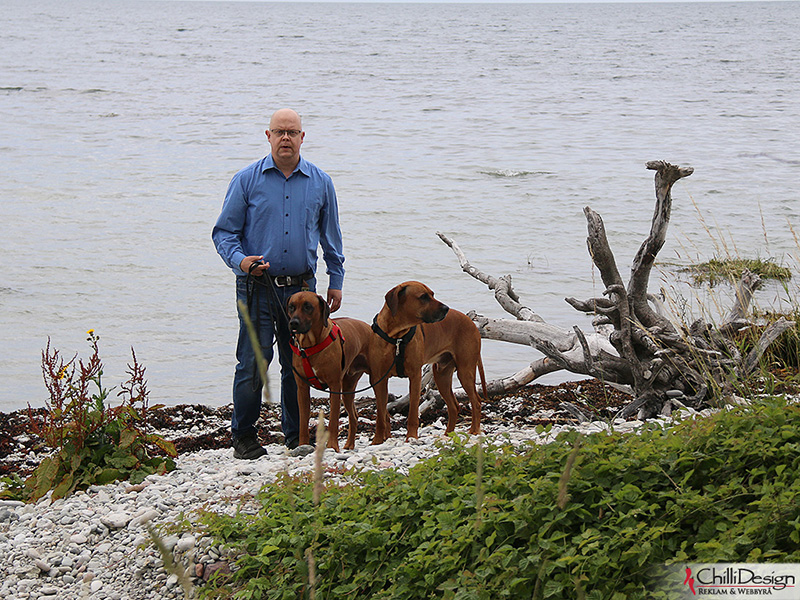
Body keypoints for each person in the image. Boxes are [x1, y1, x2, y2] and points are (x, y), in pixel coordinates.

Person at [212, 108, 344, 459]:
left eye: (292, 132)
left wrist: (336, 280)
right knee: (253, 361)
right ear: (267, 136)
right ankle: (242, 435)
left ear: (303, 137)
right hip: (257, 287)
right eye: (279, 132)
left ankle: (294, 435)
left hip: (304, 289)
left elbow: (332, 237)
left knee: (296, 363)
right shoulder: (246, 180)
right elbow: (224, 233)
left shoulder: (321, 182)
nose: (286, 138)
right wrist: (242, 262)